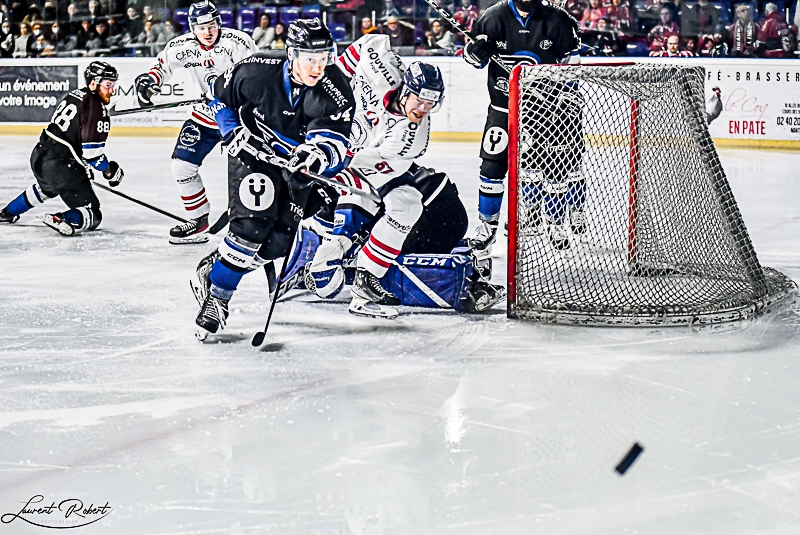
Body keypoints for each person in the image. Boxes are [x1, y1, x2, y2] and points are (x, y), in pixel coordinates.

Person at [302, 33, 504, 318]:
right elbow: (365, 45)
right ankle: (327, 254)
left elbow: (370, 166)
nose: (423, 110)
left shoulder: (412, 139)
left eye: (431, 104)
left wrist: (338, 162)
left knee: (406, 203)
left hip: (356, 156)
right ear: (405, 89)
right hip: (325, 128)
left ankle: (364, 276)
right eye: (420, 101)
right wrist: (331, 84)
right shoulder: (382, 66)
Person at [192, 18, 355, 339]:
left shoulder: (335, 89)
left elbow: (335, 142)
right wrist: (231, 130)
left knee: (279, 241)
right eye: (310, 58)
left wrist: (317, 156)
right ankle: (217, 299)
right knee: (250, 229)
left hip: (296, 167)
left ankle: (218, 265)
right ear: (292, 54)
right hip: (252, 155)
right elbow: (218, 97)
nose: (317, 67)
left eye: (323, 58)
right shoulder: (256, 70)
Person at [462, 0, 581, 256]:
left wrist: (566, 100)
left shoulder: (557, 20)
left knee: (555, 169)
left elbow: (571, 67)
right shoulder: (492, 17)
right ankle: (487, 225)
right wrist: (474, 53)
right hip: (503, 110)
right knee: (492, 167)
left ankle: (556, 223)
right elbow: (471, 57)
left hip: (547, 110)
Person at [134, 0, 257, 245]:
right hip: (202, 116)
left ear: (219, 23)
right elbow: (160, 67)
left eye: (211, 25)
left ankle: (252, 224)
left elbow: (256, 77)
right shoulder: (181, 46)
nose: (207, 32)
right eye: (201, 28)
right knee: (181, 167)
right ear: (192, 28)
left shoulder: (238, 42)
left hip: (237, 119)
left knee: (250, 173)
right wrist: (148, 82)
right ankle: (198, 219)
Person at [0, 62, 124, 235]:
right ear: (94, 83)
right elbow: (92, 156)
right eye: (108, 85)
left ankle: (7, 213)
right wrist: (110, 171)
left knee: (46, 188)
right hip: (61, 165)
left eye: (113, 85)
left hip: (40, 156)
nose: (112, 90)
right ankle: (62, 219)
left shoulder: (74, 95)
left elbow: (73, 132)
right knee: (93, 212)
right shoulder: (97, 109)